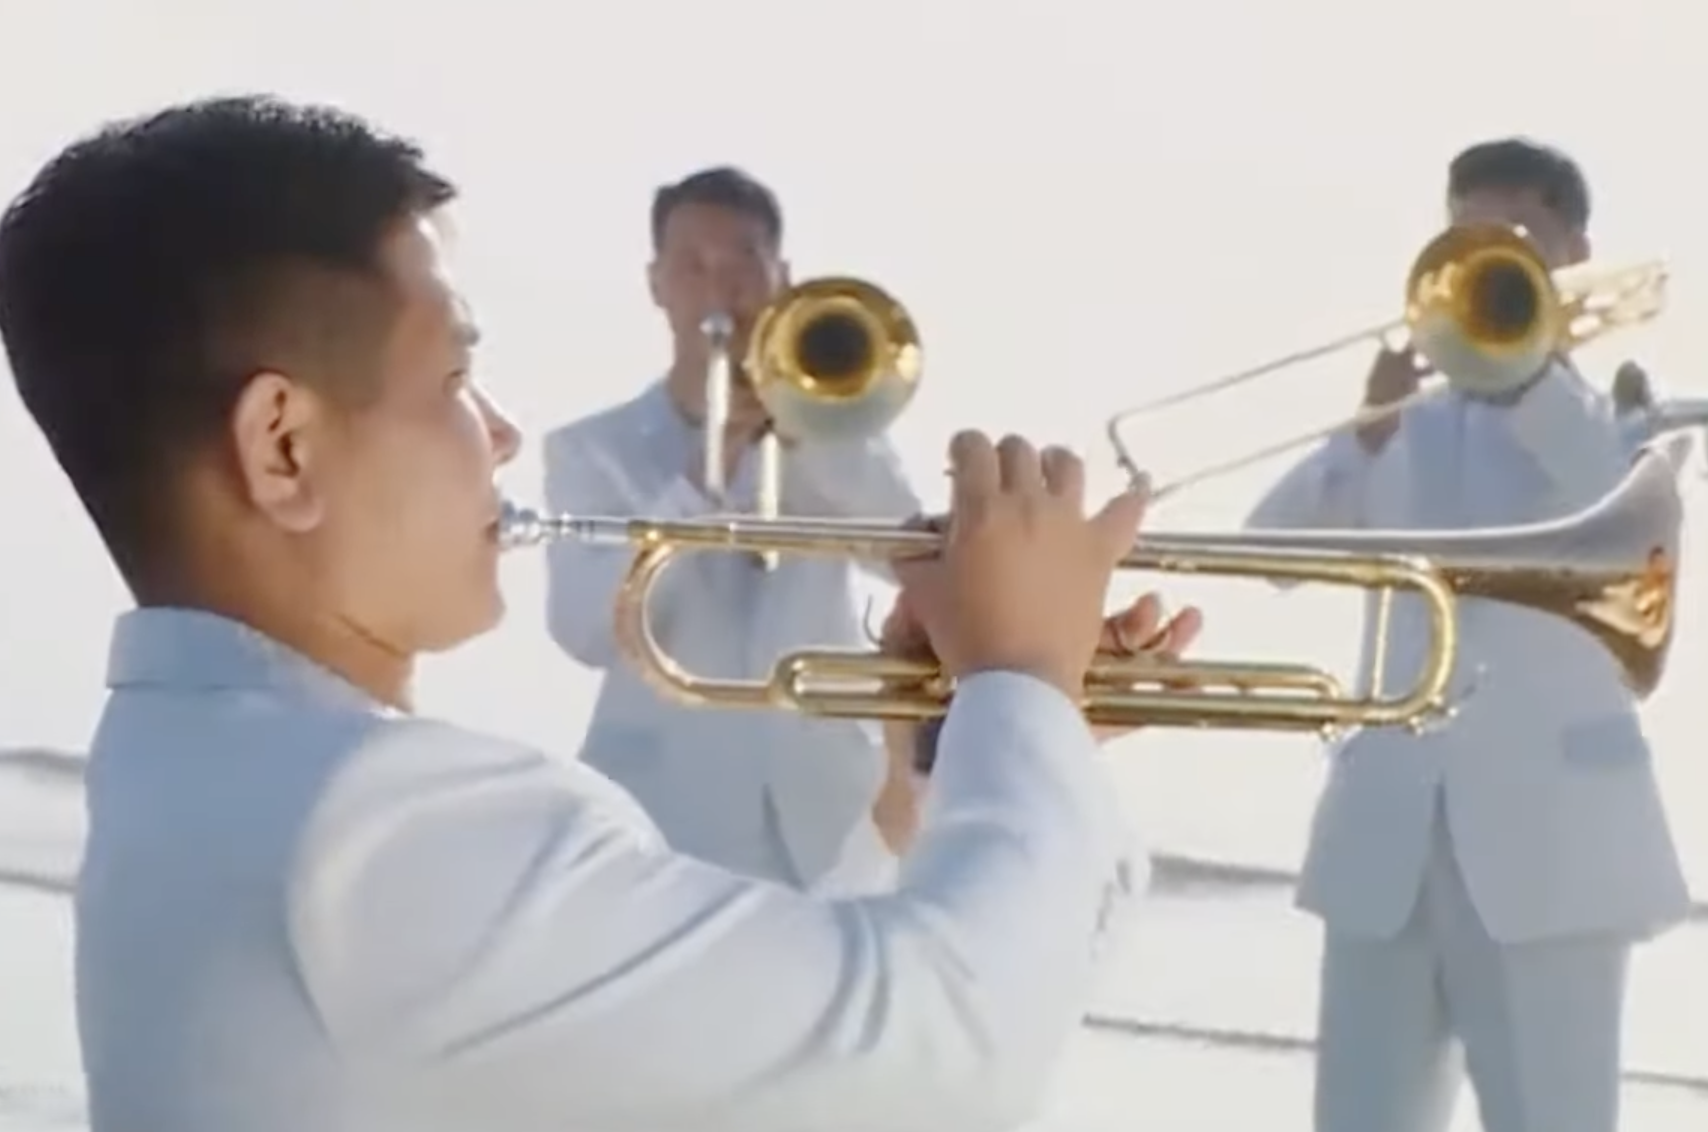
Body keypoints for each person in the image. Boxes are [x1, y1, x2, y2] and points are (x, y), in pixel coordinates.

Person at [0, 94, 1173, 1132]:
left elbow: (768, 1084)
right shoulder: (388, 823)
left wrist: (956, 757)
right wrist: (1021, 677)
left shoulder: (198, 758)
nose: (500, 433)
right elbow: (942, 1063)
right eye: (457, 381)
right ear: (284, 446)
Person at [1247, 137, 1689, 1132]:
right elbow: (1268, 551)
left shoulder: (1623, 422)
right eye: (1467, 238)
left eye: (1519, 237)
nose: (1492, 257)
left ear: (1575, 250)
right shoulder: (1402, 421)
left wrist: (1524, 375)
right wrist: (1358, 434)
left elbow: (1612, 517)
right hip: (1386, 843)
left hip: (1554, 853)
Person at [542, 166, 922, 894]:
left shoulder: (841, 435)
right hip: (664, 825)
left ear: (782, 274)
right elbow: (581, 629)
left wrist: (821, 439)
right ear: (657, 284)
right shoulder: (592, 451)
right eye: (693, 265)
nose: (720, 287)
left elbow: (911, 556)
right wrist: (694, 488)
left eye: (744, 260)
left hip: (832, 822)